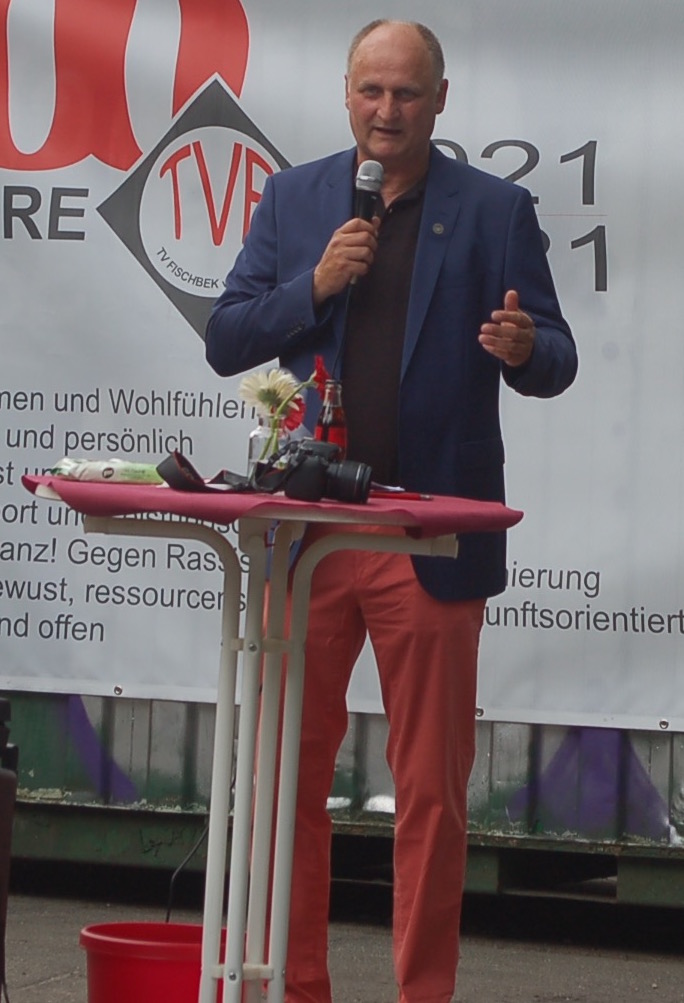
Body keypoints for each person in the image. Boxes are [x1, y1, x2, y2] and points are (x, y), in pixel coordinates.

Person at [206, 19, 577, 1003]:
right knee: (286, 782)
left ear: (439, 101)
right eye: (371, 90)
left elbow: (557, 355)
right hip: (311, 537)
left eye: (406, 93)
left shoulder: (495, 210)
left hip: (430, 535)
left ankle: (424, 992)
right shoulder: (294, 199)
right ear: (346, 93)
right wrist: (314, 285)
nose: (386, 110)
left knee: (430, 792)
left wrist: (523, 348)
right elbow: (226, 337)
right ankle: (298, 985)